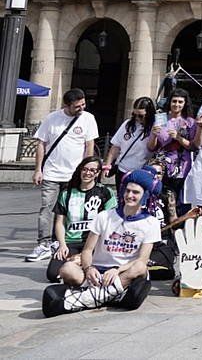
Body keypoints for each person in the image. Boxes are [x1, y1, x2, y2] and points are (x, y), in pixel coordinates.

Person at [42, 168, 159, 317]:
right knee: (67, 269)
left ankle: (84, 299)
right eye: (127, 191)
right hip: (98, 272)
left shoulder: (151, 223)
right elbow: (87, 250)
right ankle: (112, 295)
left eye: (135, 193)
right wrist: (89, 268)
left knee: (140, 267)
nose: (129, 195)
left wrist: (117, 270)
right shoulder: (104, 216)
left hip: (123, 273)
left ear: (145, 196)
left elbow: (142, 259)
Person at [29, 88, 99, 263]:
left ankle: (59, 241)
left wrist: (88, 170)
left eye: (83, 104)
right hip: (52, 172)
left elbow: (89, 146)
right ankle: (44, 243)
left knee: (69, 211)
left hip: (74, 175)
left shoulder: (88, 119)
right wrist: (38, 169)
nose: (81, 108)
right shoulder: (52, 118)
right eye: (77, 106)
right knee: (47, 208)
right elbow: (41, 144)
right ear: (67, 105)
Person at [47, 156, 115, 282]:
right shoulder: (66, 194)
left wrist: (83, 255)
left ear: (98, 173)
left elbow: (110, 223)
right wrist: (62, 245)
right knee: (52, 274)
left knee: (84, 262)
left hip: (94, 243)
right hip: (71, 241)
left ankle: (79, 264)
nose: (87, 173)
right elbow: (59, 223)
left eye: (92, 170)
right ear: (80, 170)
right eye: (85, 169)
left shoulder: (105, 192)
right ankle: (77, 265)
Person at [150, 91, 198, 219]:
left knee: (178, 201)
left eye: (180, 102)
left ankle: (177, 229)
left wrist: (178, 138)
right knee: (160, 197)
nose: (176, 104)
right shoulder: (160, 119)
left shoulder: (190, 122)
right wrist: (154, 134)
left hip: (181, 166)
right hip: (161, 165)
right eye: (174, 101)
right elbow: (151, 147)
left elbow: (193, 146)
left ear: (185, 103)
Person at [103, 97, 154, 186]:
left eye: (141, 116)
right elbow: (116, 146)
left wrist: (154, 134)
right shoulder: (128, 124)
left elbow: (152, 148)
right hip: (122, 170)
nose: (137, 118)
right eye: (135, 115)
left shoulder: (154, 128)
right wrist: (107, 166)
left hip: (141, 172)